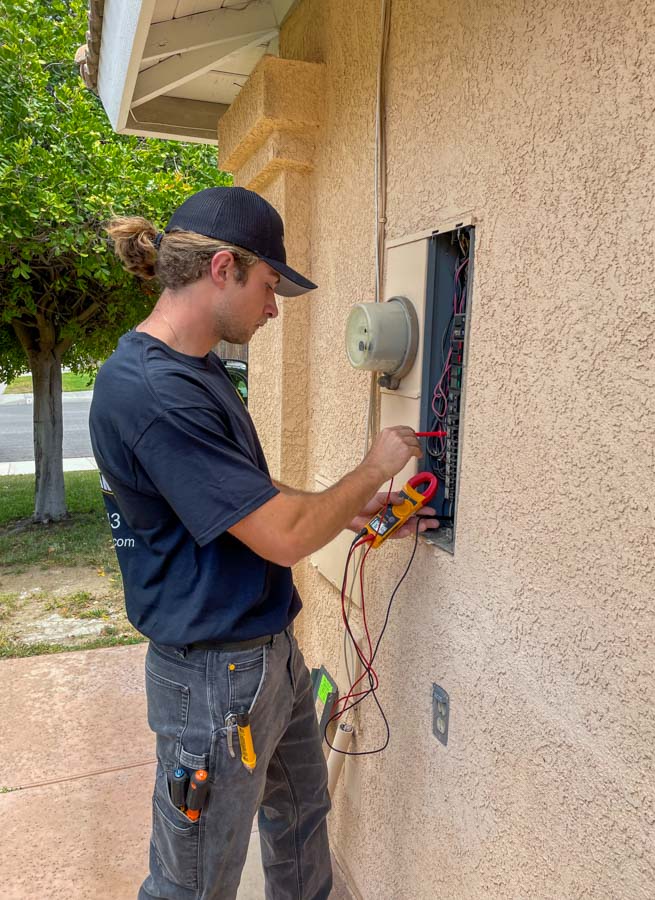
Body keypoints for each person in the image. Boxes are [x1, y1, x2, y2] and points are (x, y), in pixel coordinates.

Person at [89, 186, 438, 900]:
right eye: (269, 285)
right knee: (192, 880)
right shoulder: (152, 391)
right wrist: (373, 466)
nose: (273, 308)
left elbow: (239, 494)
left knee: (302, 822)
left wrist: (343, 510)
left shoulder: (200, 371)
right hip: (213, 680)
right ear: (224, 267)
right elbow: (277, 536)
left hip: (266, 658)